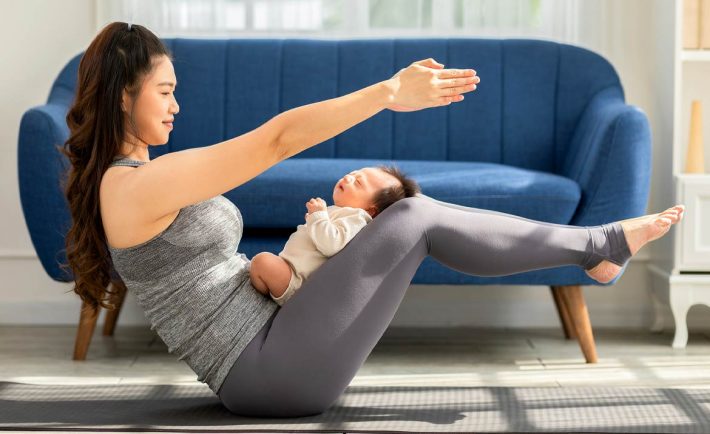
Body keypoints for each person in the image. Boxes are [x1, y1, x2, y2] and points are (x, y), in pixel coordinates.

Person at [59, 22, 684, 418]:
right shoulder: (130, 187)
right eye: (164, 90)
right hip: (267, 371)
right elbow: (275, 140)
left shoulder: (136, 179)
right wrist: (387, 92)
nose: (177, 104)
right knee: (414, 216)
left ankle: (596, 249)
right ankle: (598, 246)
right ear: (123, 95)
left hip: (279, 339)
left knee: (418, 217)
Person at [250, 165, 421, 306]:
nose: (348, 178)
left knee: (262, 261)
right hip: (292, 273)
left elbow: (331, 244)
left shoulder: (357, 218)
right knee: (260, 265)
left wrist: (318, 217)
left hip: (298, 286)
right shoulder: (343, 213)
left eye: (358, 182)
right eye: (353, 173)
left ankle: (262, 305)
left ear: (371, 209)